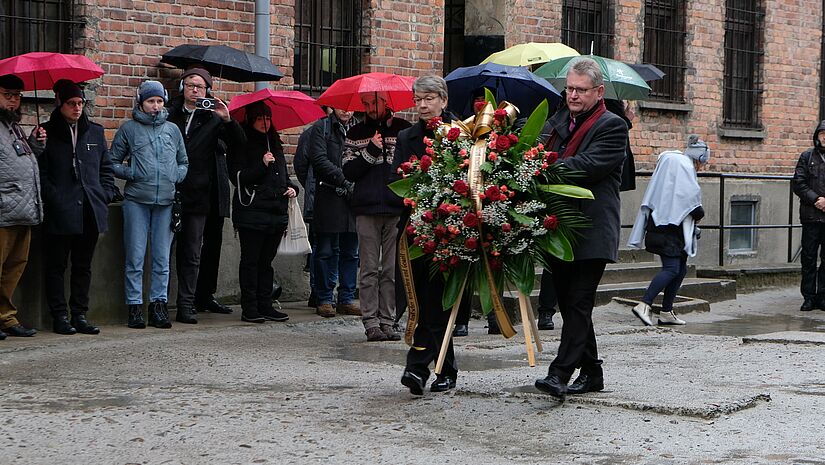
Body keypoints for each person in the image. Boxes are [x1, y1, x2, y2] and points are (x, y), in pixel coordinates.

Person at [533, 58, 628, 401]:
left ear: (598, 91)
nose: (572, 95)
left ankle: (559, 373)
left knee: (579, 301)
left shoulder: (613, 126)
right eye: (569, 88)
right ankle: (592, 372)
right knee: (571, 303)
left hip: (591, 228)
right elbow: (537, 152)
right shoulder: (557, 122)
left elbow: (586, 167)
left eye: (580, 90)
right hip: (559, 227)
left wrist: (543, 165)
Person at [395, 75, 460, 393]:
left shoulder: (461, 134)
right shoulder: (406, 136)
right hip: (414, 229)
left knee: (436, 302)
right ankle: (446, 369)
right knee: (421, 300)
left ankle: (417, 367)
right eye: (417, 99)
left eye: (429, 98)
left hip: (448, 232)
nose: (421, 105)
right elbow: (396, 182)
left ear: (444, 101)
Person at [166, 67, 245, 324]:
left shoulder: (212, 116)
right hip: (169, 191)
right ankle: (158, 302)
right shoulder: (169, 114)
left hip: (199, 194)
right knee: (163, 251)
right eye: (190, 85)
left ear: (207, 91)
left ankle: (187, 304)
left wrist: (226, 119)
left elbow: (239, 145)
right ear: (182, 88)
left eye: (200, 87)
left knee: (192, 252)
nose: (195, 90)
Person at [39, 79, 115, 335]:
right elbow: (42, 173)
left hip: (89, 210)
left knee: (83, 265)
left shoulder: (94, 132)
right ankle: (59, 315)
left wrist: (104, 193)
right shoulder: (46, 132)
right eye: (71, 103)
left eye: (81, 103)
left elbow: (106, 168)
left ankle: (79, 313)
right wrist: (55, 198)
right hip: (61, 210)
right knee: (57, 265)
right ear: (60, 103)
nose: (77, 108)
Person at [111, 80, 188, 329]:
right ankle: (135, 307)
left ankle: (158, 306)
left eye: (159, 102)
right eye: (150, 101)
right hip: (136, 201)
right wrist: (131, 172)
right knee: (135, 256)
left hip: (165, 202)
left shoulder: (172, 130)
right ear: (141, 103)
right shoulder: (129, 129)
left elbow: (183, 161)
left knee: (161, 258)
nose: (155, 106)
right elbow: (112, 162)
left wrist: (176, 175)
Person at [343, 92, 411, 341]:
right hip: (366, 208)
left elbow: (411, 166)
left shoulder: (403, 129)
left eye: (374, 103)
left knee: (391, 270)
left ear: (386, 102)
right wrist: (371, 149)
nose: (370, 108)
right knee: (370, 269)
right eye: (366, 104)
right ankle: (370, 321)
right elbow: (349, 171)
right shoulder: (356, 133)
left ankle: (388, 320)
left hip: (395, 209)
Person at [627, 136, 709, 326]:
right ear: (699, 157)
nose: (702, 167)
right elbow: (692, 203)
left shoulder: (670, 171)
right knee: (672, 268)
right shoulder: (683, 166)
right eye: (702, 162)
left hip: (667, 227)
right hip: (669, 230)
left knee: (680, 269)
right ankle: (644, 304)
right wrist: (698, 214)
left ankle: (666, 311)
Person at [228, 102, 298, 323]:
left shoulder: (274, 142)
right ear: (251, 120)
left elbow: (282, 177)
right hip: (252, 211)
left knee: (266, 262)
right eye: (259, 118)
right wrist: (261, 164)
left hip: (275, 211)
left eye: (267, 118)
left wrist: (291, 188)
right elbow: (238, 177)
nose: (264, 123)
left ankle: (265, 304)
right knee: (251, 261)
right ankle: (250, 307)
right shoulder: (242, 142)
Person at [0, 73, 44, 339]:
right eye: (7, 95)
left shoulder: (13, 127)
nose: (13, 102)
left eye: (17, 96)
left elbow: (21, 161)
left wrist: (36, 145)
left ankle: (6, 318)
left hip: (23, 209)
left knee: (13, 268)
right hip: (3, 208)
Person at [306, 107, 360, 319]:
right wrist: (344, 179)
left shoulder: (359, 128)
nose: (346, 111)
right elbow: (318, 160)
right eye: (342, 107)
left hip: (354, 198)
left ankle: (346, 298)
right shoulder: (322, 127)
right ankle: (324, 298)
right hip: (329, 194)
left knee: (351, 251)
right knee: (326, 250)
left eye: (349, 107)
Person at [792, 120, 825, 312]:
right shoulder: (807, 157)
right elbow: (798, 182)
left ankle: (822, 295)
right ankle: (809, 296)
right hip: (811, 216)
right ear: (817, 137)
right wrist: (816, 200)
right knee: (809, 258)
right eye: (822, 134)